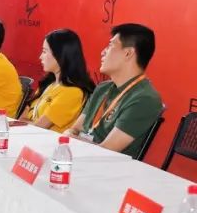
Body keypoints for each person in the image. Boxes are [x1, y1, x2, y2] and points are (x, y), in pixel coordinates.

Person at [66, 23, 163, 158]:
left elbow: (106, 151)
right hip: (81, 157)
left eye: (110, 46)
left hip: (105, 166)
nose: (103, 52)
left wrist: (72, 141)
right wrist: (70, 137)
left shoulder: (145, 98)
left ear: (128, 53)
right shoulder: (103, 88)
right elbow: (74, 129)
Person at [20, 29, 96, 132]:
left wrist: (27, 123)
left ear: (60, 55)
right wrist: (27, 123)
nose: (40, 57)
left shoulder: (73, 92)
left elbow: (38, 128)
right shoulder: (49, 84)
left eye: (44, 51)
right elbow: (21, 120)